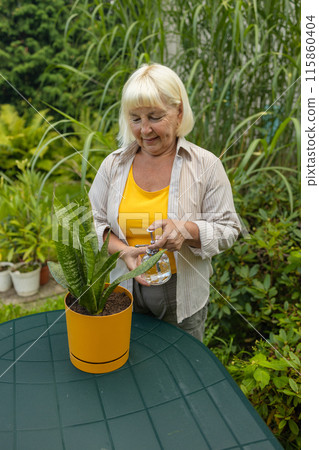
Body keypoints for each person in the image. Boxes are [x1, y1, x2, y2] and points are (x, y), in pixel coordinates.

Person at [89, 63, 241, 341]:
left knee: (183, 374)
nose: (144, 129)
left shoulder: (206, 164)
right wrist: (124, 251)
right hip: (125, 288)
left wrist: (187, 231)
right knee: (130, 366)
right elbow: (93, 223)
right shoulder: (113, 165)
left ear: (179, 111)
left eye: (155, 117)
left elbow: (229, 228)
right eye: (135, 118)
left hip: (182, 295)